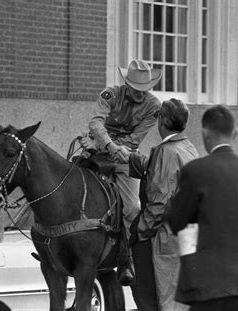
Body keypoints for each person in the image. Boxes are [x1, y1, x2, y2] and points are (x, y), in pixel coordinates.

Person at [164, 104, 238, 311]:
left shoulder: (196, 171)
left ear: (205, 132)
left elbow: (176, 220)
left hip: (210, 283)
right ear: (235, 132)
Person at [80, 59, 162, 286]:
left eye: (145, 89)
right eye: (136, 88)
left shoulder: (155, 106)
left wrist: (112, 148)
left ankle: (128, 259)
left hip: (126, 157)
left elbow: (136, 138)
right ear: (127, 84)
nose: (140, 93)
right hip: (99, 150)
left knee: (133, 206)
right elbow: (96, 123)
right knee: (69, 184)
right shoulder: (110, 95)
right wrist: (106, 145)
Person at [120, 98, 198, 310]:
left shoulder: (166, 152)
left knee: (156, 298)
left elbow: (159, 202)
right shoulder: (187, 147)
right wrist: (130, 157)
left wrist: (138, 232)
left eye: (157, 116)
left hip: (164, 236)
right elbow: (163, 170)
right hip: (188, 235)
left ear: (162, 121)